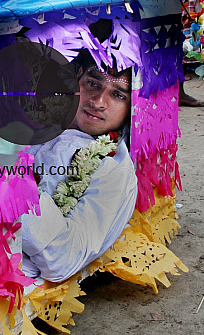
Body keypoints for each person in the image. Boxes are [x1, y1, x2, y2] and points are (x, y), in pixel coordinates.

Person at [20, 54, 138, 282]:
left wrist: (12, 182)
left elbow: (64, 260)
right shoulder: (36, 120)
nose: (98, 101)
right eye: (93, 84)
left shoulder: (113, 168)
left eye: (118, 94)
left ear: (132, 106)